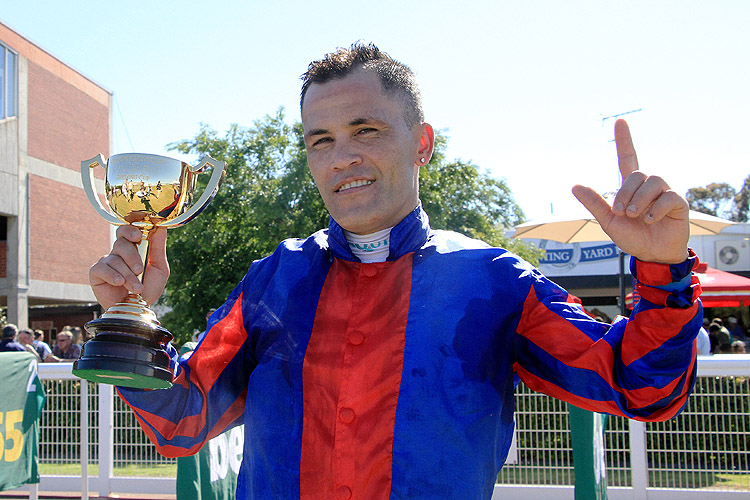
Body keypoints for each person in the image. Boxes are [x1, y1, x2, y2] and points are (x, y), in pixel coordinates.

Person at [90, 43, 703, 499]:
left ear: (422, 143)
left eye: (366, 130)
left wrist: (662, 267)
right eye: (320, 139)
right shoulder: (274, 279)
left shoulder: (494, 281)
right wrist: (125, 319)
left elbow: (639, 385)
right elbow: (184, 421)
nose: (343, 157)